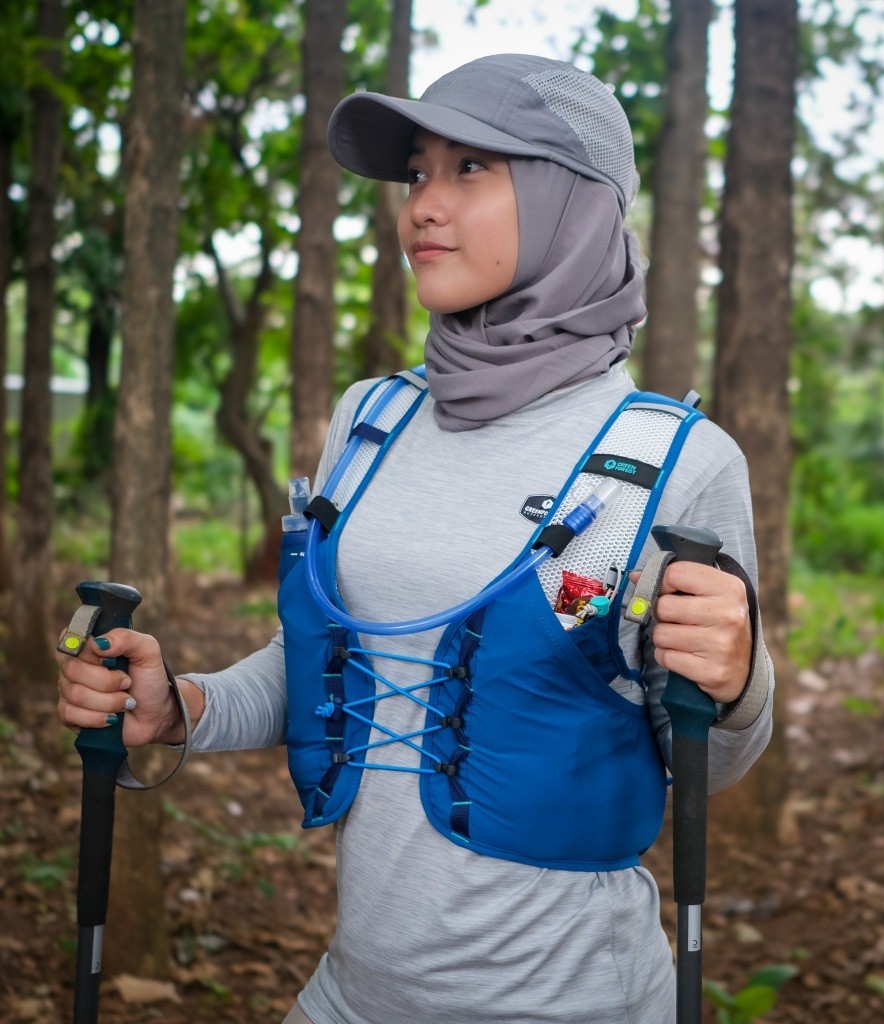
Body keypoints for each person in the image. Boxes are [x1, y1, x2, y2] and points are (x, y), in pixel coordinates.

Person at [57, 53, 774, 1024]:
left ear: (569, 199)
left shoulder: (672, 459)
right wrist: (182, 704)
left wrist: (740, 680)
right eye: (417, 172)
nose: (423, 206)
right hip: (352, 994)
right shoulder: (372, 418)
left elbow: (706, 760)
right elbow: (331, 659)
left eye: (470, 168)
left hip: (574, 1003)